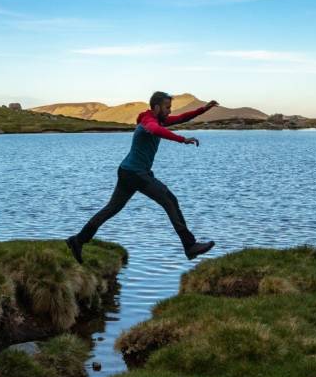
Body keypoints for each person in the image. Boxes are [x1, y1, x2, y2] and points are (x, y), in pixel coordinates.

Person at [66, 91, 219, 263]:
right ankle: (190, 246)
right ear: (156, 107)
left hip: (128, 171)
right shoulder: (149, 121)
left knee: (111, 209)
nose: (169, 111)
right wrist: (182, 139)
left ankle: (78, 240)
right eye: (167, 107)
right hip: (135, 174)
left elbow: (182, 117)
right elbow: (155, 130)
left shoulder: (159, 119)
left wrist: (203, 109)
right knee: (169, 200)